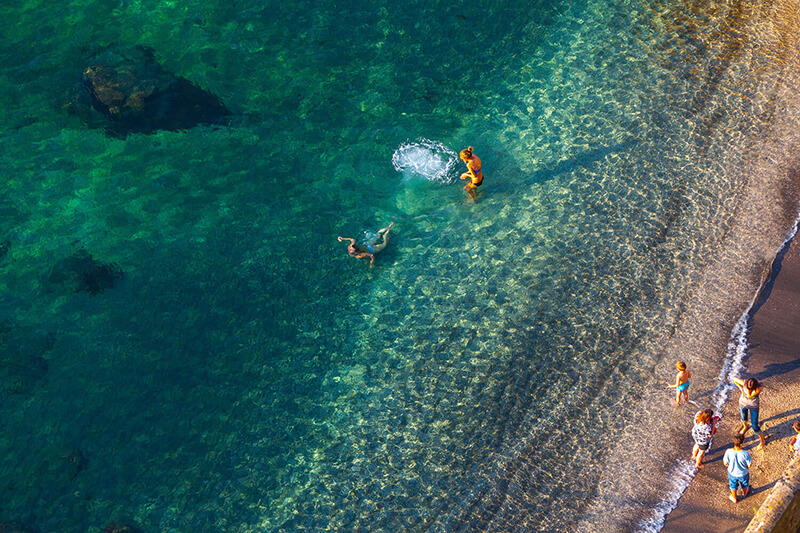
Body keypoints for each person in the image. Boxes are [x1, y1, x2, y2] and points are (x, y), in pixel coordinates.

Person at [733, 376, 766, 450]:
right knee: (743, 417)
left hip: (753, 407)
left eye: (750, 389)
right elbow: (734, 379)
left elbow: (749, 395)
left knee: (754, 425)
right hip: (743, 404)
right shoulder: (745, 383)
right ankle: (745, 427)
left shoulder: (759, 387)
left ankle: (762, 440)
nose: (749, 390)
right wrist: (740, 387)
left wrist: (744, 389)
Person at [723, 434, 752, 503]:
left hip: (732, 473)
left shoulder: (728, 451)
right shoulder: (745, 453)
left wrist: (730, 465)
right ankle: (744, 493)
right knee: (745, 484)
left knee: (733, 485)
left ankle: (734, 498)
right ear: (742, 443)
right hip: (743, 473)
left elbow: (725, 463)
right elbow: (749, 465)